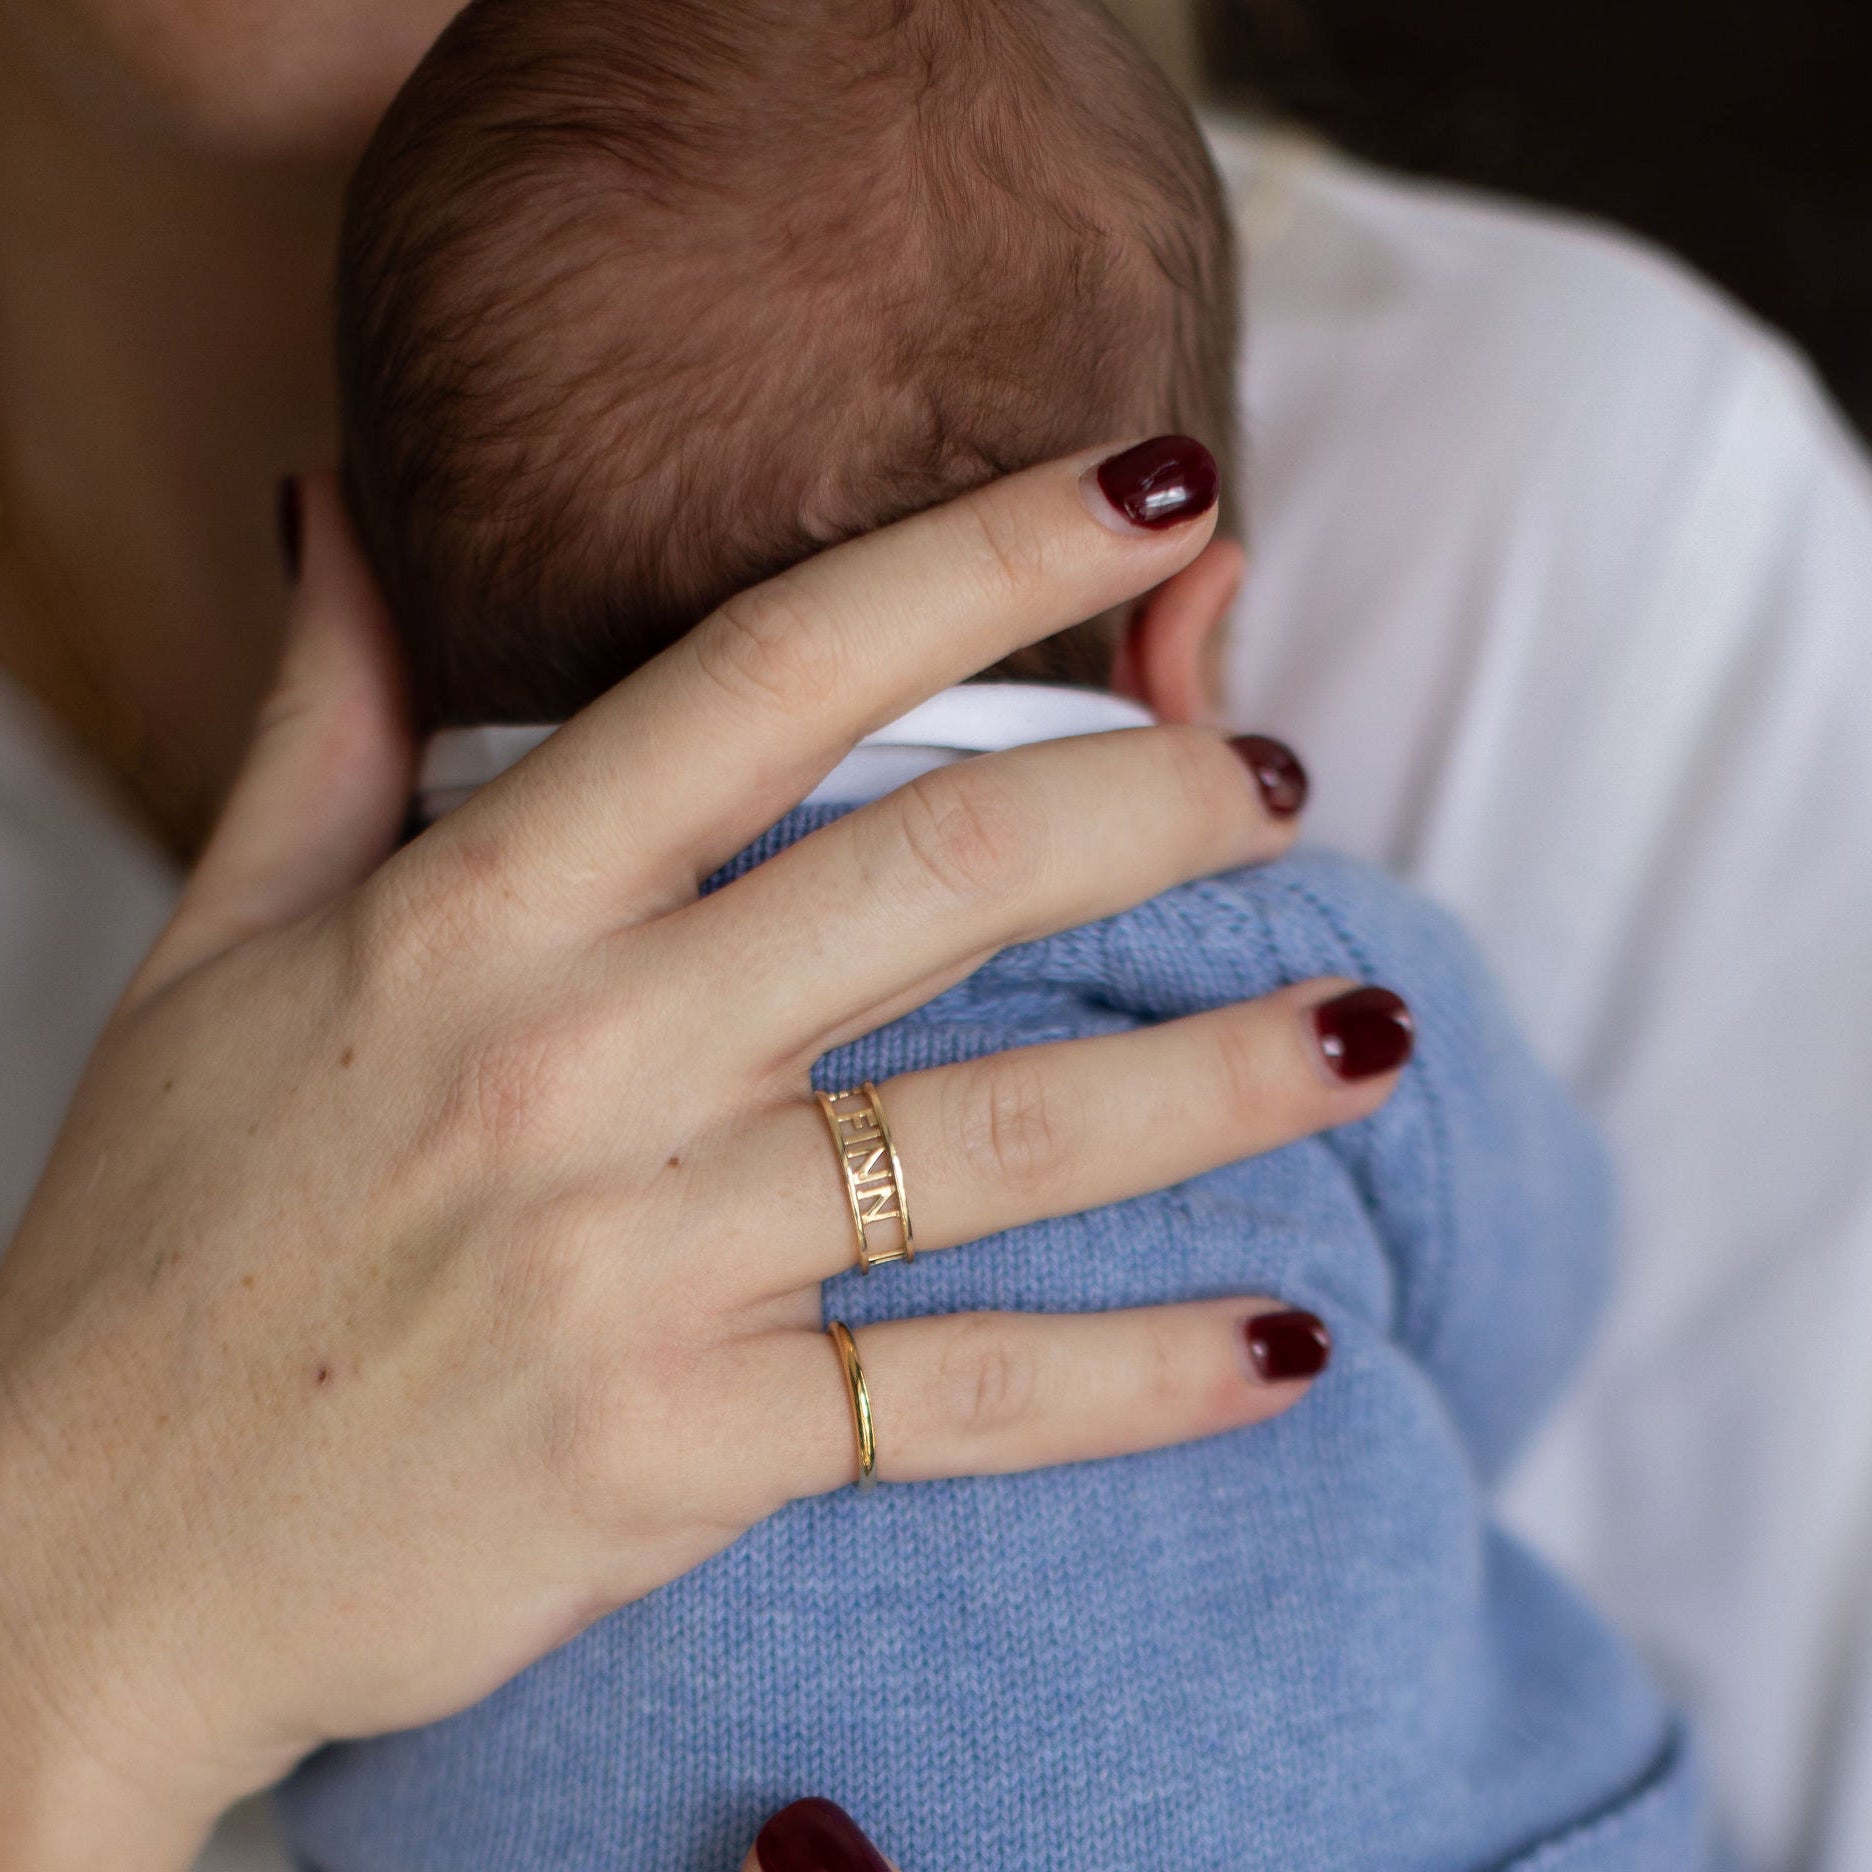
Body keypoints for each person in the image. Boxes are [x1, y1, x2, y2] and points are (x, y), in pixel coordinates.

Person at [270, 4, 1712, 1868]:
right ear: (1178, 638)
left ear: (377, 656)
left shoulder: (310, 1101)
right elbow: (1531, 1286)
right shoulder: (1269, 973)